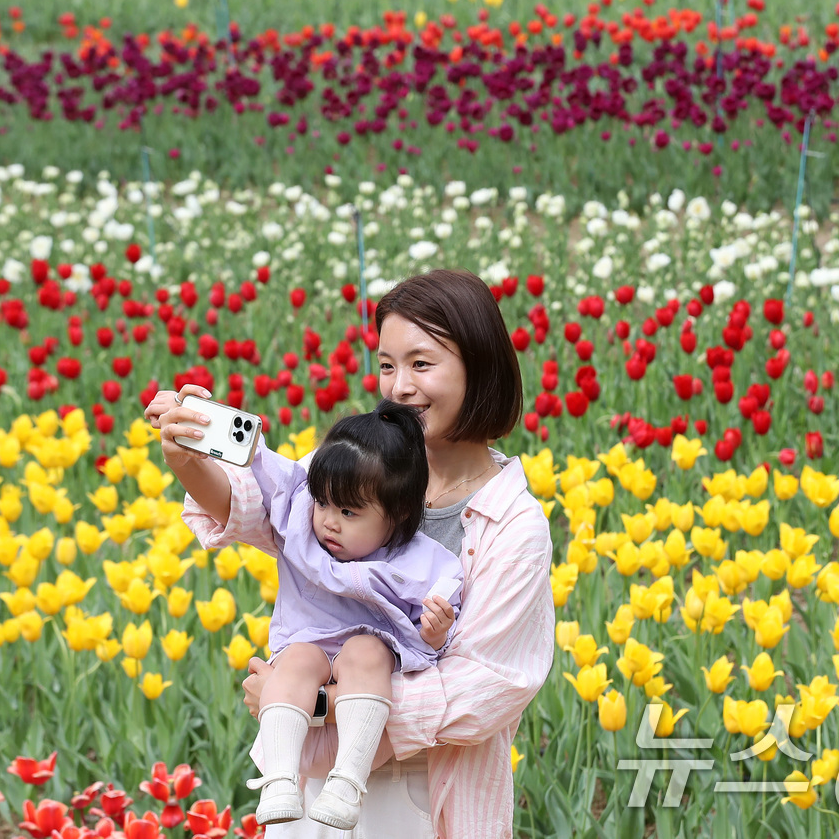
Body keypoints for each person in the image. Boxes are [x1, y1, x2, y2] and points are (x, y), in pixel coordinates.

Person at [147, 268, 555, 839]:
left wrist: (317, 703)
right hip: (312, 793)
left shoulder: (511, 525)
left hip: (427, 798)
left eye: (421, 363)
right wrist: (189, 462)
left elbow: (486, 691)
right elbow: (268, 512)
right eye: (387, 365)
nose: (399, 387)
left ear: (479, 366)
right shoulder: (363, 470)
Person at [157, 397, 464, 828]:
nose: (328, 522)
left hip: (365, 701)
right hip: (306, 677)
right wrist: (196, 427)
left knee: (367, 651)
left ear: (398, 515)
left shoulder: (416, 562)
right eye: (322, 503)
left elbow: (442, 628)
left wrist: (435, 631)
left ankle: (347, 783)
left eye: (349, 512)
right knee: (298, 657)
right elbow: (272, 472)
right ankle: (279, 778)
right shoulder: (303, 520)